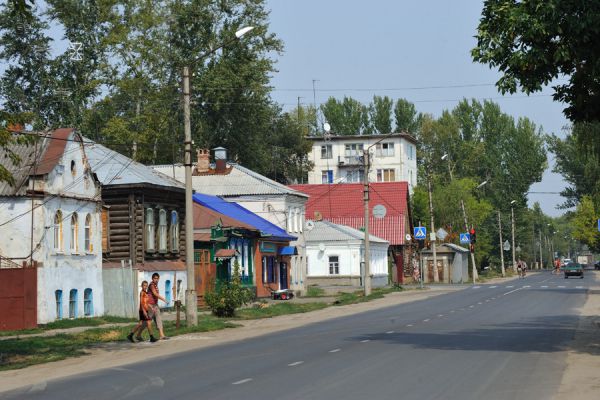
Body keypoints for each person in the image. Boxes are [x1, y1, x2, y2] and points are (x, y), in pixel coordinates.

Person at [147, 273, 169, 340]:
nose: (156, 280)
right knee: (145, 322)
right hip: (150, 305)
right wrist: (164, 299)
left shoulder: (156, 285)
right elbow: (155, 294)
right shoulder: (151, 285)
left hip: (155, 305)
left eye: (157, 278)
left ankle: (162, 335)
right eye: (155, 278)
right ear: (152, 278)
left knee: (158, 319)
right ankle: (136, 334)